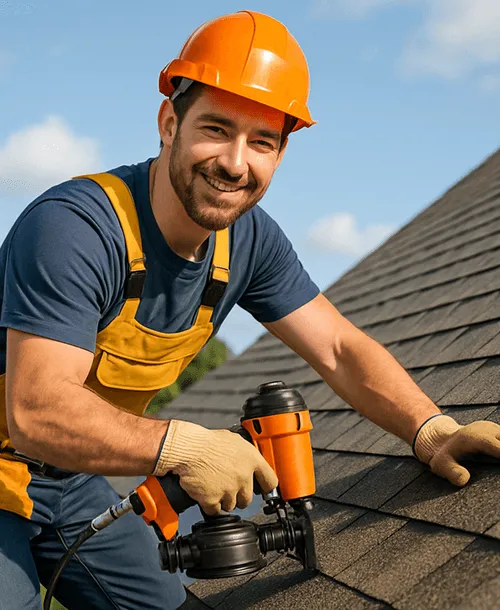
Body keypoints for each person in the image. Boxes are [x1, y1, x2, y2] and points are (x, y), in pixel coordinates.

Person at [0, 9, 499, 610]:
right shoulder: (76, 227)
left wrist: (431, 431)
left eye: (261, 141)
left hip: (69, 480)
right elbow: (36, 409)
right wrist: (186, 446)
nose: (235, 163)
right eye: (216, 128)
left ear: (280, 155)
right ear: (168, 124)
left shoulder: (250, 243)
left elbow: (339, 349)